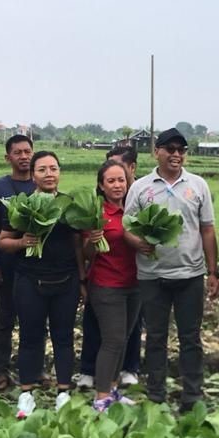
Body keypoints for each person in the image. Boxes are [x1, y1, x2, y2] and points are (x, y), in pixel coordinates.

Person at [123, 128, 219, 413]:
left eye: (181, 150)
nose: (176, 155)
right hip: (152, 276)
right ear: (157, 152)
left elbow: (207, 229)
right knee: (155, 337)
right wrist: (139, 243)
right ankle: (156, 395)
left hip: (190, 274)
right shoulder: (141, 187)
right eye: (170, 149)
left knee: (190, 337)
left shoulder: (198, 185)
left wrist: (212, 271)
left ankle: (192, 395)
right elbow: (126, 226)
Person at [0, 151, 86, 416]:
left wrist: (83, 278)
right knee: (30, 337)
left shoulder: (70, 204)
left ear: (60, 172)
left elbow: (78, 245)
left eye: (54, 169)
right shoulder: (22, 204)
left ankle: (63, 392)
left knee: (63, 337)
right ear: (33, 175)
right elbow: (3, 241)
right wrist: (22, 243)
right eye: (42, 169)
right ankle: (26, 393)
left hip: (66, 280)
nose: (49, 174)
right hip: (29, 280)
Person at [76, 144, 143, 389]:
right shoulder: (96, 211)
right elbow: (86, 253)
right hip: (107, 285)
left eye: (121, 180)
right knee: (112, 340)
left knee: (123, 339)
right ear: (102, 185)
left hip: (134, 284)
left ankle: (112, 389)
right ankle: (102, 396)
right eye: (111, 181)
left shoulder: (135, 209)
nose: (117, 185)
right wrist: (93, 241)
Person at [0, 134, 36, 391]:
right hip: (7, 266)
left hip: (37, 268)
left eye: (28, 151)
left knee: (35, 320)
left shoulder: (41, 186)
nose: (24, 156)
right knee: (5, 320)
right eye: (18, 152)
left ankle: (33, 369)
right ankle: (1, 370)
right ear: (8, 157)